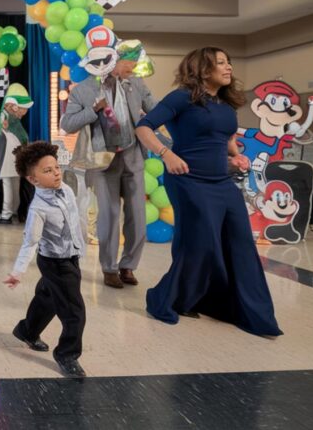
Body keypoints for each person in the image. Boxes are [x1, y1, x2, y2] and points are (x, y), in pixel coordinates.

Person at [135, 47, 282, 337]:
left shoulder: (225, 104)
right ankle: (164, 299)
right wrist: (166, 154)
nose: (228, 68)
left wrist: (235, 155)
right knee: (200, 244)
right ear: (203, 69)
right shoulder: (181, 98)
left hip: (221, 181)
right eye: (221, 63)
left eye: (229, 62)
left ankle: (248, 311)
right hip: (188, 179)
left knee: (240, 242)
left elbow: (224, 136)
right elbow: (144, 127)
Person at [61, 42, 156, 289]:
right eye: (129, 63)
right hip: (103, 162)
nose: (133, 67)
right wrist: (93, 110)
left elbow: (156, 111)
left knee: (138, 216)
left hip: (133, 157)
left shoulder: (136, 84)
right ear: (113, 62)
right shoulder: (82, 91)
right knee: (110, 215)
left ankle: (128, 265)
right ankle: (109, 268)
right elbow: (67, 124)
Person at [3, 141, 87, 378]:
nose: (56, 173)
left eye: (56, 167)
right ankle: (67, 355)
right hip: (56, 263)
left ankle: (27, 331)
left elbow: (74, 221)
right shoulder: (37, 209)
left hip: (69, 256)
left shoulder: (67, 190)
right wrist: (18, 272)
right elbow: (30, 242)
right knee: (74, 311)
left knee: (48, 297)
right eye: (48, 171)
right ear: (33, 180)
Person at [0, 84, 34, 224]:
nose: (24, 112)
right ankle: (13, 211)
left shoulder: (9, 118)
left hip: (9, 153)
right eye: (23, 109)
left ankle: (6, 213)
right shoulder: (12, 119)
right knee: (13, 183)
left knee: (8, 183)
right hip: (14, 152)